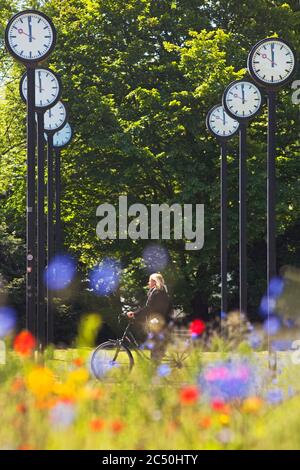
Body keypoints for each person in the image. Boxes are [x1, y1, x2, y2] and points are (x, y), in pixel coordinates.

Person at [127, 272, 172, 360]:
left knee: (155, 346)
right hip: (158, 321)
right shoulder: (156, 292)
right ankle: (156, 360)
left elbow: (149, 308)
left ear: (155, 282)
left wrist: (135, 314)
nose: (148, 283)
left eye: (150, 281)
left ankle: (155, 365)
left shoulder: (158, 293)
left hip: (159, 322)